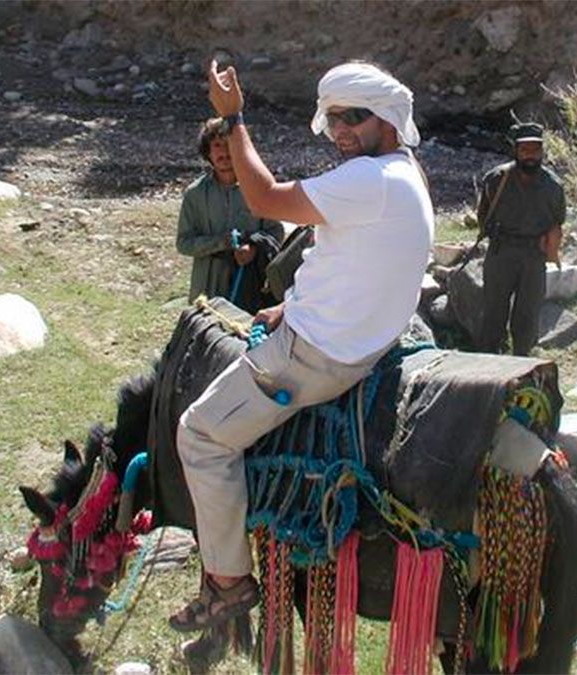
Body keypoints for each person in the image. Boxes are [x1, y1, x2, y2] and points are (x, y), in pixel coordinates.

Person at [168, 60, 434, 633]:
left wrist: (233, 118)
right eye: (332, 119)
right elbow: (357, 261)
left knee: (199, 435)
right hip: (365, 339)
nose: (339, 131)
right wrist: (290, 305)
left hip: (314, 356)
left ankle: (229, 582)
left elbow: (262, 198)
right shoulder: (403, 173)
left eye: (351, 118)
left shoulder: (367, 181)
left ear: (386, 119)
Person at [475, 122, 566, 356]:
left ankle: (521, 362)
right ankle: (487, 361)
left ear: (542, 152)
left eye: (535, 149)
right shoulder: (496, 179)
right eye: (525, 149)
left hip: (534, 256)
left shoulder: (553, 187)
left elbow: (558, 221)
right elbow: (483, 214)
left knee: (527, 314)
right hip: (501, 252)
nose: (530, 155)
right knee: (493, 311)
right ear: (515, 150)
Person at [176, 117, 285, 311]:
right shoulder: (195, 194)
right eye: (217, 145)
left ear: (240, 149)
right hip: (208, 287)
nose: (224, 152)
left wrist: (253, 248)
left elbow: (276, 232)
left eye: (229, 145)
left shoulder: (259, 189)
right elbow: (184, 243)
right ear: (208, 152)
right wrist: (221, 242)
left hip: (250, 285)